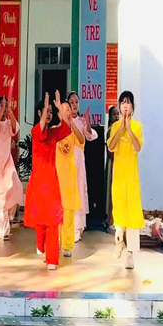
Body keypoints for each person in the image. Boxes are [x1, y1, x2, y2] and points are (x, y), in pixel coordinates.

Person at [24, 91, 70, 270]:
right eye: (46, 111)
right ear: (39, 113)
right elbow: (42, 125)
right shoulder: (36, 131)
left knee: (53, 222)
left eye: (50, 112)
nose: (49, 114)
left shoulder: (53, 133)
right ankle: (40, 243)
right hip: (38, 183)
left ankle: (52, 260)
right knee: (40, 221)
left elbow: (67, 127)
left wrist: (59, 108)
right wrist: (45, 107)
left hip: (51, 182)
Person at [108, 90, 144, 270]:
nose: (125, 106)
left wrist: (128, 128)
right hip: (119, 178)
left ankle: (130, 254)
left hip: (132, 179)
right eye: (122, 102)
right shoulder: (115, 127)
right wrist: (121, 127)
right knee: (120, 213)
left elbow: (138, 147)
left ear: (132, 106)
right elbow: (111, 146)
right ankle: (119, 242)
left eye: (128, 102)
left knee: (133, 216)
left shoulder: (137, 126)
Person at [0, 95, 22, 239]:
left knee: (15, 186)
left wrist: (10, 112)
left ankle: (9, 218)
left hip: (8, 162)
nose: (3, 108)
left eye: (6, 105)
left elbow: (15, 129)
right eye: (1, 105)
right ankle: (3, 232)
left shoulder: (9, 123)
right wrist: (2, 113)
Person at [55, 100, 85, 258]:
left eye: (68, 109)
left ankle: (67, 244)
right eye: (63, 109)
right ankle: (56, 241)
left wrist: (72, 124)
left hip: (70, 178)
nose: (67, 112)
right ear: (58, 113)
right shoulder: (54, 130)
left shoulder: (73, 131)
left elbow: (82, 140)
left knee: (68, 213)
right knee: (57, 212)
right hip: (57, 178)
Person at [67, 92, 98, 241]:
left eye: (76, 102)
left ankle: (77, 228)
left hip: (78, 159)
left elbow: (91, 136)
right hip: (66, 159)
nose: (74, 105)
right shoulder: (64, 121)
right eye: (71, 102)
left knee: (78, 189)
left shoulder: (81, 121)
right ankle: (67, 226)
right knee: (68, 190)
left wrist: (88, 121)